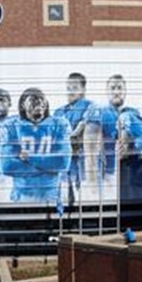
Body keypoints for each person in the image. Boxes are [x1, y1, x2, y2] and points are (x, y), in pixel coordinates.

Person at [2, 88, 72, 204]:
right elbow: (7, 166)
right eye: (33, 102)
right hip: (21, 196)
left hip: (52, 196)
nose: (38, 105)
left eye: (40, 101)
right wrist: (47, 166)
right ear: (23, 105)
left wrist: (30, 158)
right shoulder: (11, 125)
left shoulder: (59, 124)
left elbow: (63, 163)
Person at [54, 72, 94, 207]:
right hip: (64, 163)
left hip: (81, 162)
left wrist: (71, 136)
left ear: (83, 90)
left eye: (75, 87)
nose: (70, 91)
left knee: (84, 199)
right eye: (68, 87)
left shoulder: (90, 106)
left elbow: (82, 128)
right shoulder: (59, 111)